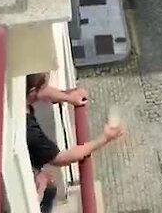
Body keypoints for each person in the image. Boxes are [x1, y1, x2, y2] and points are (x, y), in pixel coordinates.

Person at [25, 72, 125, 212]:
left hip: (35, 171)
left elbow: (42, 91)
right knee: (46, 193)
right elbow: (62, 158)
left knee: (48, 186)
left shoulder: (19, 92)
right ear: (32, 92)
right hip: (29, 184)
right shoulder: (29, 130)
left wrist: (68, 97)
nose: (47, 89)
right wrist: (105, 138)